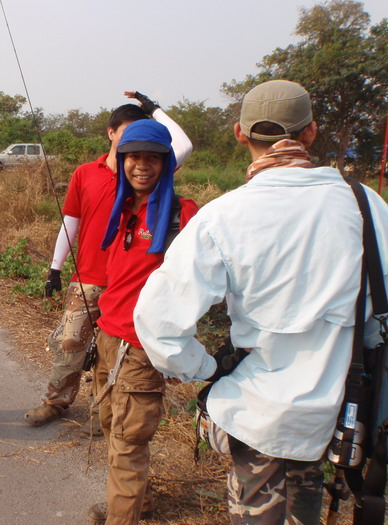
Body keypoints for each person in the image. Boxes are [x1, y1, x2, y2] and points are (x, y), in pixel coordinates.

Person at [133, 80, 388, 524]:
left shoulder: (224, 215)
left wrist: (207, 369)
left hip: (260, 418)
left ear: (239, 133)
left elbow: (158, 322)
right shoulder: (367, 205)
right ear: (310, 133)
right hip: (341, 416)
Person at [25, 92, 193, 430]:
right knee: (70, 344)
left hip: (133, 284)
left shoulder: (147, 174)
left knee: (112, 352)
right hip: (88, 275)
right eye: (129, 133)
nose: (139, 146)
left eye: (145, 137)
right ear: (111, 133)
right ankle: (57, 401)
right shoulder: (88, 173)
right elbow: (70, 221)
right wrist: (55, 268)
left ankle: (107, 414)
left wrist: (152, 107)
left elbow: (183, 144)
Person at [87, 119, 198, 525]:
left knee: (128, 442)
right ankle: (138, 504)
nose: (142, 166)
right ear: (122, 159)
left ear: (166, 163)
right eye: (134, 156)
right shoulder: (123, 207)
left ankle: (122, 517)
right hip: (108, 337)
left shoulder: (181, 215)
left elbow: (196, 286)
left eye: (153, 158)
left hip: (143, 347)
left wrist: (176, 346)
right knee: (110, 424)